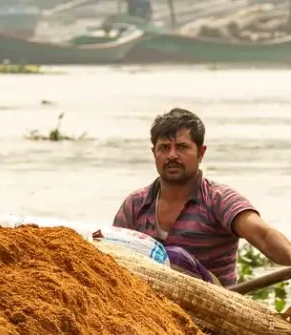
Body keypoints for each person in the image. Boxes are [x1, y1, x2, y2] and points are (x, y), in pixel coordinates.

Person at [113, 108, 291, 287]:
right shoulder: (135, 204)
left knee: (176, 257)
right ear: (154, 153)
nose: (172, 155)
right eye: (164, 148)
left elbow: (264, 235)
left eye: (182, 147)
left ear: (201, 153)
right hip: (151, 306)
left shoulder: (219, 199)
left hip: (213, 305)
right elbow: (110, 254)